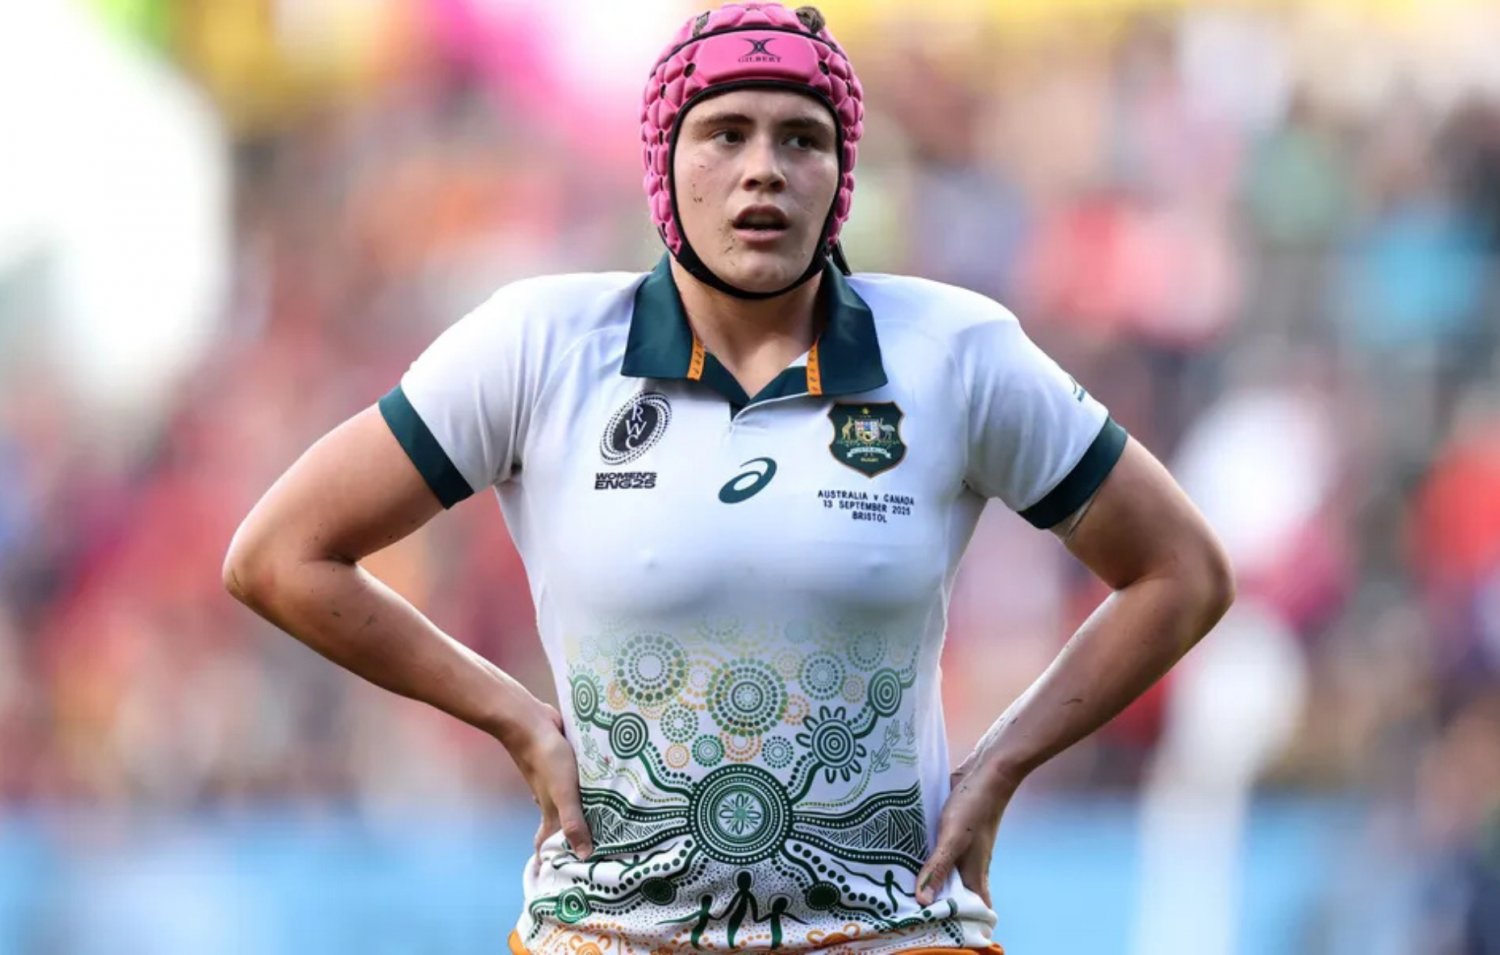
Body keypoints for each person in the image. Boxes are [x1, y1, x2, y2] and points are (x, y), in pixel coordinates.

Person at [223, 3, 1235, 953]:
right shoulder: (540, 345)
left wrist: (1004, 761)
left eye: (802, 139)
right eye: (725, 134)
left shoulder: (956, 352)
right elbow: (280, 555)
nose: (764, 171)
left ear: (842, 174)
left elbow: (1181, 571)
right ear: (664, 162)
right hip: (610, 933)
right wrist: (512, 717)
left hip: (891, 931)